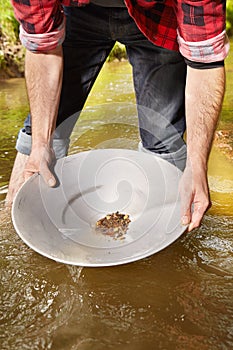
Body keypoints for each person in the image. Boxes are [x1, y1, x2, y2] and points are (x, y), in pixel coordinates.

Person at [7, 0, 229, 233]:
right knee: (39, 145)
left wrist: (196, 166)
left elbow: (205, 61)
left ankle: (165, 244)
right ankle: (18, 232)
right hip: (76, 13)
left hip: (159, 15)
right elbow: (42, 47)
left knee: (164, 142)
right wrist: (41, 144)